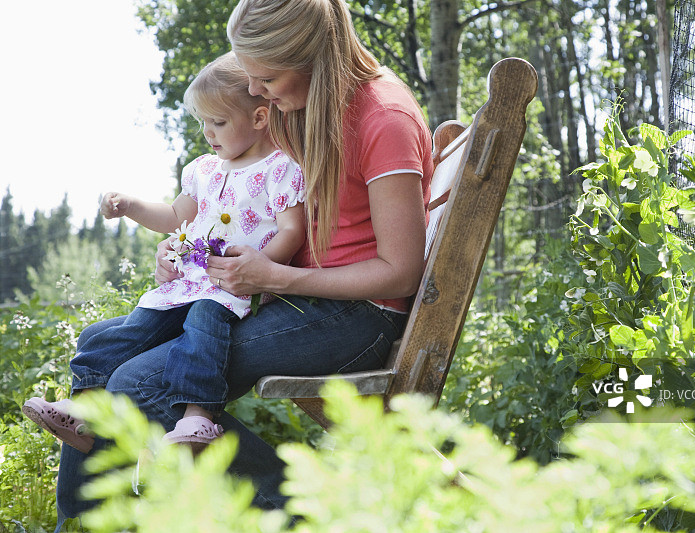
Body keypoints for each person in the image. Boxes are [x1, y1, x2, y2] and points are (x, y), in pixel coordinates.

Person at [53, 0, 433, 527]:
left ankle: (311, 512)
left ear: (312, 59)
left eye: (267, 77)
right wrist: (187, 246)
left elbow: (401, 271)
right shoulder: (314, 103)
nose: (257, 91)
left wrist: (278, 276)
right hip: (304, 295)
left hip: (357, 312)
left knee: (139, 384)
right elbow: (236, 199)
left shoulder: (382, 118)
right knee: (105, 349)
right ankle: (77, 523)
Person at [23, 51, 306, 454]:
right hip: (185, 284)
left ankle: (198, 417)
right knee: (133, 328)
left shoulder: (281, 169)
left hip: (232, 284)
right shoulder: (205, 170)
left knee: (203, 332)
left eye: (219, 122)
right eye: (203, 122)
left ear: (260, 118)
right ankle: (83, 411)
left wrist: (260, 269)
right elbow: (174, 216)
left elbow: (292, 230)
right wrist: (131, 205)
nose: (209, 132)